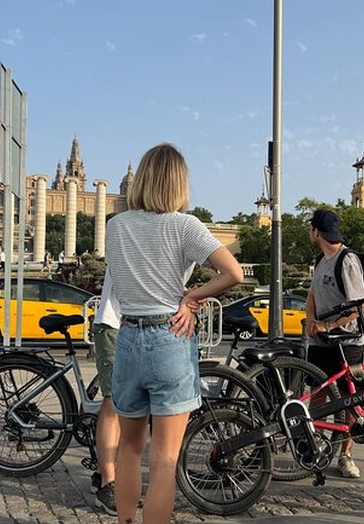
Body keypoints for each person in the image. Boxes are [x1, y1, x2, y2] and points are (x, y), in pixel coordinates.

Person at [104, 143, 243, 524]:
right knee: (164, 461)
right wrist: (193, 297)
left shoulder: (115, 226)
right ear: (179, 183)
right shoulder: (185, 225)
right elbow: (234, 273)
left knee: (129, 450)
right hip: (170, 335)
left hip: (128, 337)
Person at [304, 209, 364, 479]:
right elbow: (312, 293)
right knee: (317, 394)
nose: (309, 233)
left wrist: (329, 326)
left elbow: (361, 306)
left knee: (348, 400)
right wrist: (310, 319)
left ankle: (346, 455)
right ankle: (318, 445)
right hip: (321, 342)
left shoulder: (347, 260)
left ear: (316, 232)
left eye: (310, 228)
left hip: (348, 342)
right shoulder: (321, 260)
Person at [90, 268, 122, 516]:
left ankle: (103, 471)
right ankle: (107, 485)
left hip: (131, 326)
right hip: (114, 324)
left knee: (128, 406)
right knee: (114, 402)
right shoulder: (129, 232)